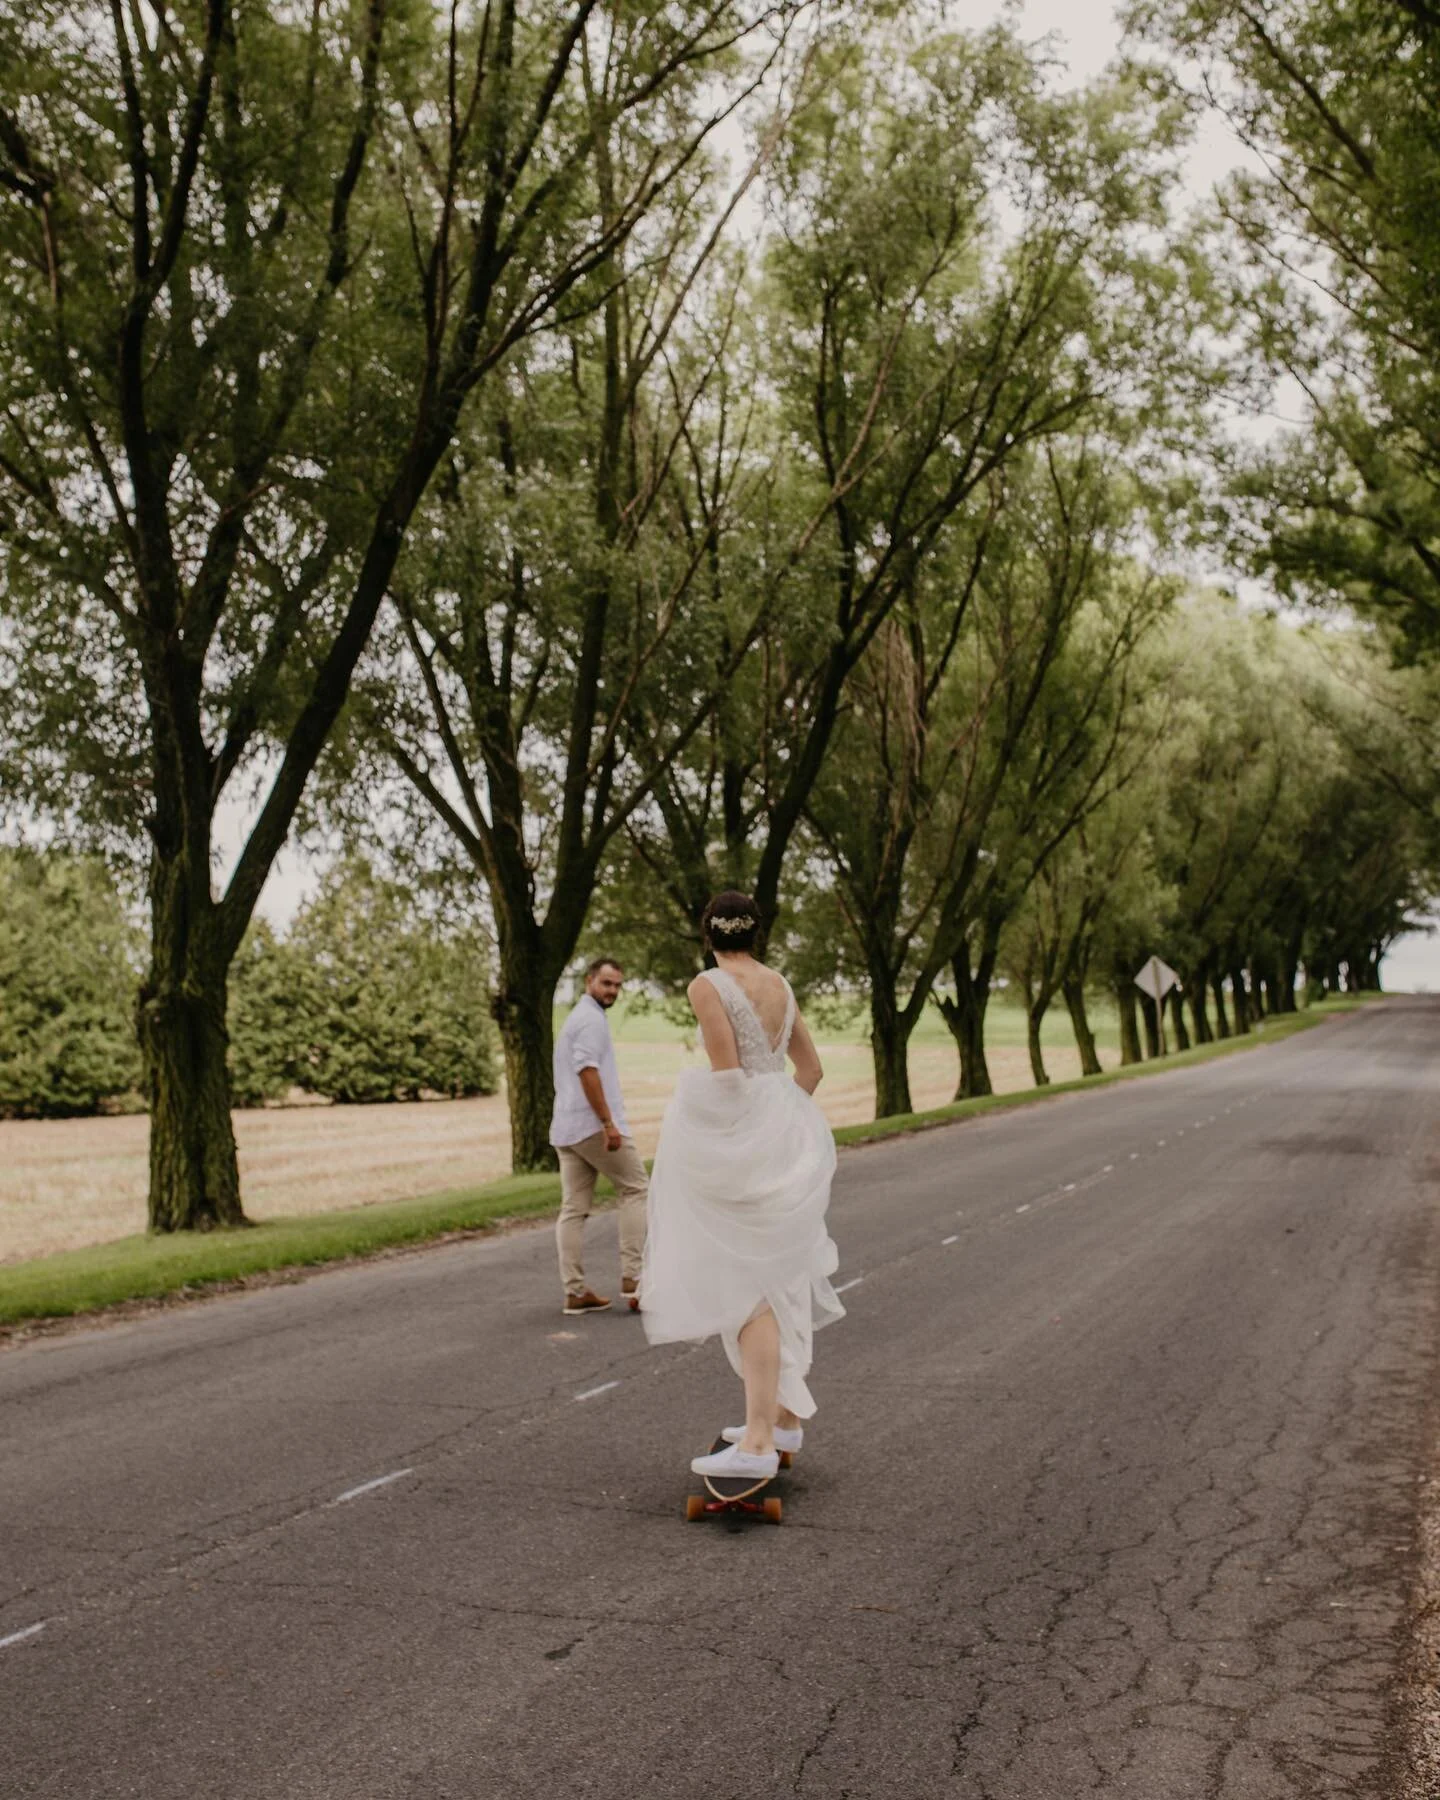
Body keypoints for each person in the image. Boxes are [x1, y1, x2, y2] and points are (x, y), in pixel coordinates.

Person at [640, 891, 844, 1480]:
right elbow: (811, 1071)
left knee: (749, 1285)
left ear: (708, 935)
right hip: (780, 1149)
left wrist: (730, 1140)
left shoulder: (707, 985)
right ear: (756, 935)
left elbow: (727, 1081)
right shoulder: (780, 984)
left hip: (744, 1148)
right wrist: (781, 1128)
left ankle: (756, 1442)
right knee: (779, 1279)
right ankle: (782, 1419)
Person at [550, 957, 648, 1317]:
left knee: (573, 1209)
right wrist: (609, 1123)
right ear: (589, 981)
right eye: (606, 983)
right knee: (636, 1187)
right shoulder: (590, 1020)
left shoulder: (579, 1017)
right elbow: (586, 1070)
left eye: (618, 985)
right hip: (592, 1125)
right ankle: (634, 1278)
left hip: (566, 1126)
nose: (613, 991)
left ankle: (575, 1292)